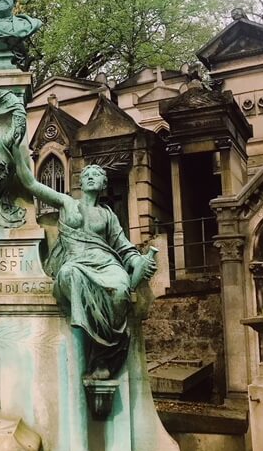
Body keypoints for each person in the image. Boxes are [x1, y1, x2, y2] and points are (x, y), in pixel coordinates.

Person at [13, 145, 156, 379]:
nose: (90, 177)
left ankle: (102, 356)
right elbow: (30, 183)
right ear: (80, 181)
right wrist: (15, 148)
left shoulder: (107, 214)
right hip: (76, 262)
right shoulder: (67, 203)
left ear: (103, 185)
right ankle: (90, 347)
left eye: (96, 175)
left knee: (120, 292)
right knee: (70, 275)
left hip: (107, 264)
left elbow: (123, 246)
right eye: (86, 174)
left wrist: (139, 261)